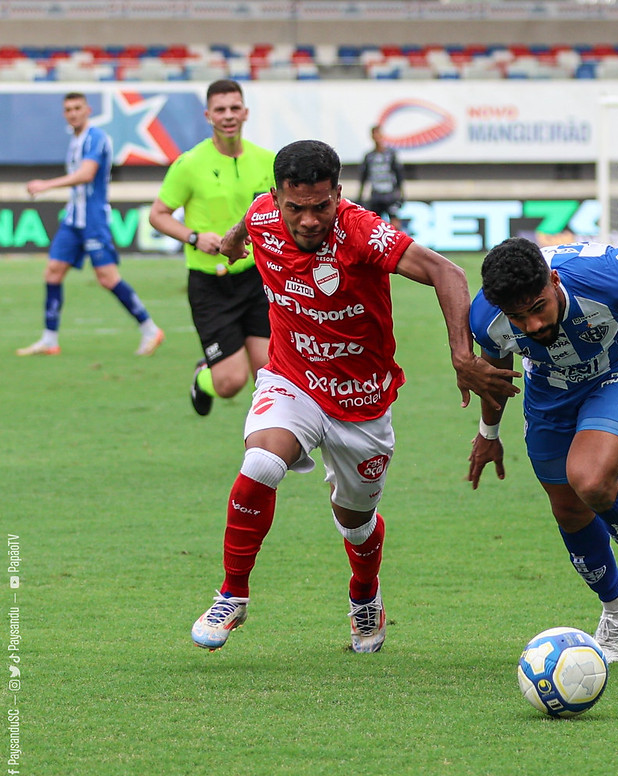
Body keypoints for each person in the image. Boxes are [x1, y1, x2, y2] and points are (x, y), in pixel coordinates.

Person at [190, 139, 519, 653]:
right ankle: (232, 594)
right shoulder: (262, 215)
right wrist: (233, 242)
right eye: (295, 207)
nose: (308, 220)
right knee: (261, 463)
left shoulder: (361, 231)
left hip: (362, 401)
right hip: (293, 379)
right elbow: (249, 220)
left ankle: (365, 594)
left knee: (356, 522)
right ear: (277, 199)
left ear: (338, 194)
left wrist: (462, 354)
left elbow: (447, 272)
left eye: (321, 206)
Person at [467, 237, 618, 663]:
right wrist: (488, 433)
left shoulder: (608, 275)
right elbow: (496, 373)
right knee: (567, 508)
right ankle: (614, 612)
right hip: (550, 389)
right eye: (518, 317)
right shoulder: (486, 318)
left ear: (554, 281)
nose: (532, 325)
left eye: (538, 307)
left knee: (591, 479)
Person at [148, 79, 275, 416]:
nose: (228, 115)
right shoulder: (189, 164)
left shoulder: (267, 161)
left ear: (245, 112)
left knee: (269, 374)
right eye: (220, 109)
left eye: (234, 108)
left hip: (256, 279)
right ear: (208, 115)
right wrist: (193, 237)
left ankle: (271, 439)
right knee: (230, 382)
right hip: (211, 285)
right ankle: (203, 377)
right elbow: (158, 215)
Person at [17, 92, 163, 357]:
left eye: (77, 108)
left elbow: (87, 174)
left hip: (93, 219)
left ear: (88, 110)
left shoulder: (95, 137)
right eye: (68, 109)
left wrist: (46, 185)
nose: (73, 113)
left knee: (107, 278)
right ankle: (49, 340)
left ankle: (150, 329)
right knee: (53, 272)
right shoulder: (76, 140)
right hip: (73, 219)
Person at [356, 124, 405, 230]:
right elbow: (364, 177)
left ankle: (398, 239)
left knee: (395, 222)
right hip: (376, 195)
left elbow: (398, 174)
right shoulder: (369, 156)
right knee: (374, 223)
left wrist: (401, 193)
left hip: (390, 194)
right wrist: (360, 196)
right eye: (375, 135)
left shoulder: (390, 154)